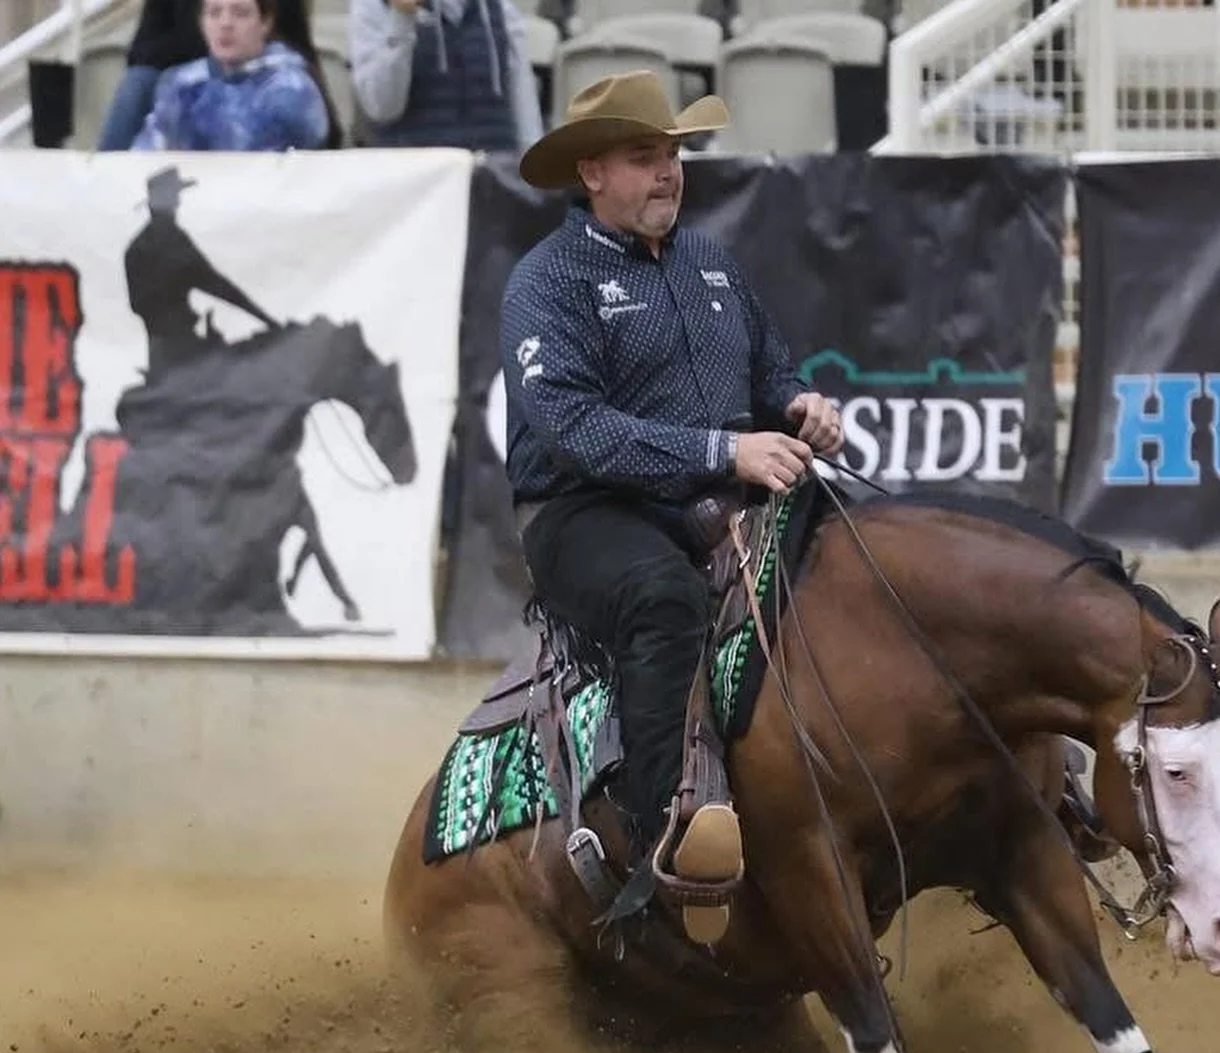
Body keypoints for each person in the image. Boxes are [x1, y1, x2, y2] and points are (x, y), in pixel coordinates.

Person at [499, 69, 843, 940]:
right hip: (585, 511)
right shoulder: (548, 283)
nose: (668, 174)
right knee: (664, 599)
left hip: (711, 493)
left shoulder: (713, 263)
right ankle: (664, 837)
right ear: (593, 174)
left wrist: (803, 405)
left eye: (674, 155)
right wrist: (725, 450)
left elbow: (770, 373)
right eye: (644, 157)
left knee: (854, 555)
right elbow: (576, 428)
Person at [99, 0, 342, 151]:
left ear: (265, 23)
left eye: (240, 13)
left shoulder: (291, 92)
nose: (225, 23)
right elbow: (146, 152)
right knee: (146, 83)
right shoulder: (182, 88)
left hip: (259, 214)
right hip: (198, 206)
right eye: (214, 13)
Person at [126, 166, 280, 378]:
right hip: (178, 353)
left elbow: (215, 284)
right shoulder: (171, 242)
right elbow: (218, 285)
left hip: (170, 350)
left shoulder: (139, 248)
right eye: (173, 197)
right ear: (170, 202)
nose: (177, 203)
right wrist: (267, 320)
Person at [348, 0, 543, 151]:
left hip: (490, 181)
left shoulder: (501, 9)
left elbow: (525, 116)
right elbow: (381, 108)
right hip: (416, 186)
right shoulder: (374, 5)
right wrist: (401, 19)